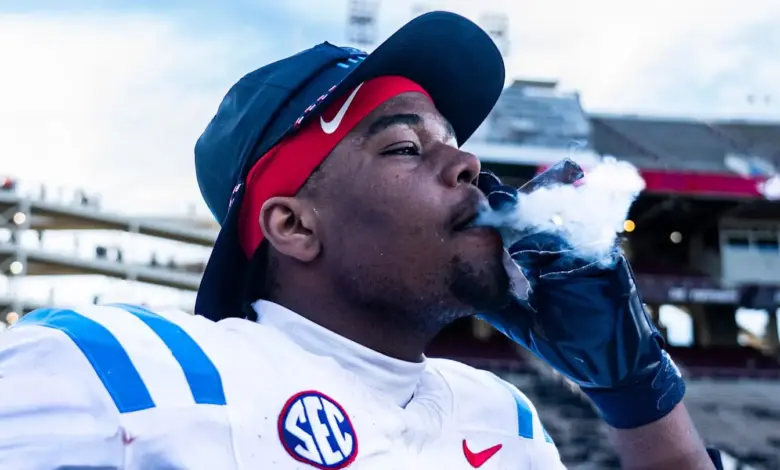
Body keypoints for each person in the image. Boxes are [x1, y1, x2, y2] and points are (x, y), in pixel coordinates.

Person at [0, 11, 723, 470]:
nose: (470, 165)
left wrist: (636, 393)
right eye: (406, 146)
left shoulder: (507, 420)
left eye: (454, 142)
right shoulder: (115, 373)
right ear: (293, 225)